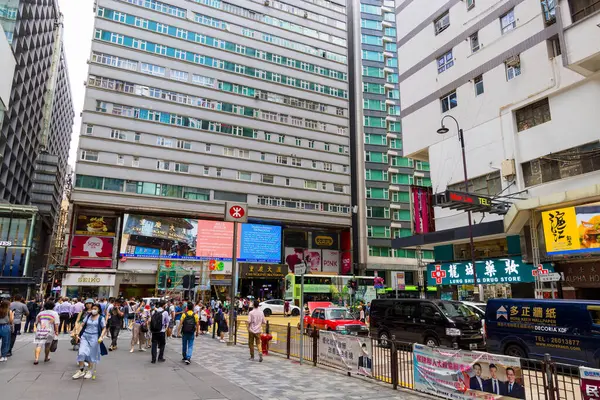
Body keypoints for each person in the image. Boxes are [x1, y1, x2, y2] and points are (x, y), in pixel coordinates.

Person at [73, 303, 106, 380]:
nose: (93, 310)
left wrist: (101, 336)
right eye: (92, 308)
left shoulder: (101, 318)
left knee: (91, 355)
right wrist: (78, 333)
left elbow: (104, 328)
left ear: (99, 310)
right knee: (81, 352)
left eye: (95, 309)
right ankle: (81, 370)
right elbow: (82, 325)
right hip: (85, 336)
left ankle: (89, 370)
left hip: (94, 337)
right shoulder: (88, 316)